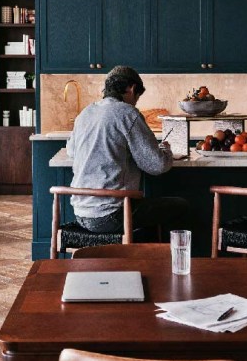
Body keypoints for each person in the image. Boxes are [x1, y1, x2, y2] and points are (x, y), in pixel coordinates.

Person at [65, 65, 188, 238]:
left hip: (81, 214)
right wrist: (166, 149)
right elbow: (157, 165)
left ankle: (138, 257)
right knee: (180, 205)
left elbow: (71, 151)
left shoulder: (86, 112)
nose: (136, 101)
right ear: (131, 88)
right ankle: (159, 260)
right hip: (111, 215)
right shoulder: (127, 113)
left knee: (147, 211)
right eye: (137, 96)